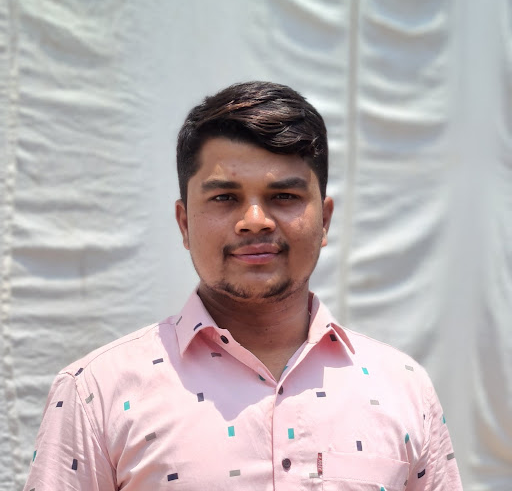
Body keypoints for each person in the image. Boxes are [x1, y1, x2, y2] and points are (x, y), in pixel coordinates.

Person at [24, 81, 463, 490]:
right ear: (184, 223)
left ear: (325, 220)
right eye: (225, 198)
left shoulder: (403, 389)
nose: (255, 221)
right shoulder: (95, 393)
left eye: (284, 196)